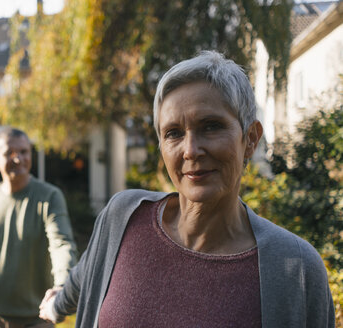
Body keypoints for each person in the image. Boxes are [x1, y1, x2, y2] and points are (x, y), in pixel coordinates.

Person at [39, 51, 335, 327]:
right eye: (174, 133)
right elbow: (86, 272)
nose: (191, 150)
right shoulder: (124, 217)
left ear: (251, 139)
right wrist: (57, 305)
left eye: (211, 126)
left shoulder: (295, 267)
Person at [0, 128, 77, 328]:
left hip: (36, 320)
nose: (18, 159)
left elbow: (61, 244)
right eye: (9, 153)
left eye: (24, 152)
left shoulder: (49, 197)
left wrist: (62, 286)